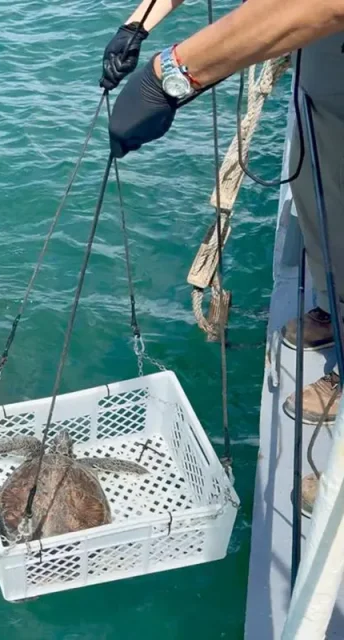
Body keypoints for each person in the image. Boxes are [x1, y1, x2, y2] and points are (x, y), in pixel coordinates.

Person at [103, 0, 344, 424]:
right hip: (323, 82)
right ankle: (336, 305)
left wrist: (172, 75)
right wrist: (137, 24)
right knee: (321, 198)